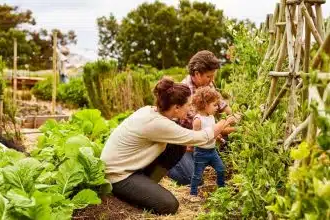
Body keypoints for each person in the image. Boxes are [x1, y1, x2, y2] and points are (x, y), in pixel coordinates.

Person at [100, 77, 237, 215]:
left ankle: (147, 183)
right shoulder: (157, 123)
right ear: (176, 107)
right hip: (118, 176)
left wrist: (212, 133)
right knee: (169, 205)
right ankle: (136, 192)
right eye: (188, 105)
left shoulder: (150, 111)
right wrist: (225, 122)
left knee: (177, 146)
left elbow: (187, 139)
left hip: (131, 166)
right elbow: (199, 138)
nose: (191, 109)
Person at [168, 50, 234, 185]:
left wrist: (233, 116)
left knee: (228, 145)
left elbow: (223, 106)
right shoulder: (183, 92)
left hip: (203, 139)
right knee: (192, 179)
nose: (212, 80)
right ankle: (168, 165)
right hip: (184, 144)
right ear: (197, 74)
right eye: (209, 76)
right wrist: (229, 127)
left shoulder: (207, 85)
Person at [188, 87, 235, 202]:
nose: (217, 107)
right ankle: (193, 194)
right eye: (214, 105)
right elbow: (198, 138)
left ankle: (222, 189)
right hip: (201, 152)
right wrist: (226, 123)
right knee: (197, 175)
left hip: (212, 151)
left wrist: (219, 138)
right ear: (204, 105)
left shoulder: (211, 117)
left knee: (220, 169)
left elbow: (213, 131)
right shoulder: (198, 120)